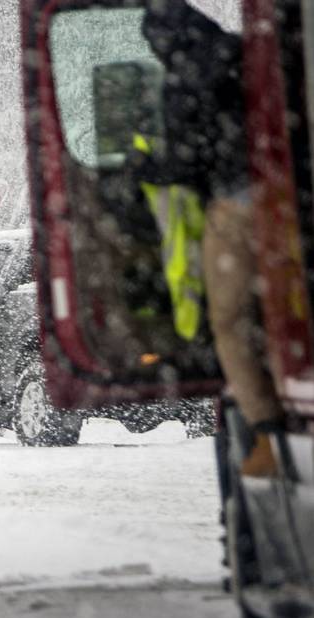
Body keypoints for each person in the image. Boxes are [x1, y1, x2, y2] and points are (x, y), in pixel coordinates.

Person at [138, 0, 280, 475]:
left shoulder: (183, 80)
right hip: (286, 200)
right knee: (283, 310)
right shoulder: (241, 51)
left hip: (236, 208)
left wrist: (145, 168)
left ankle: (267, 434)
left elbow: (187, 161)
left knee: (231, 322)